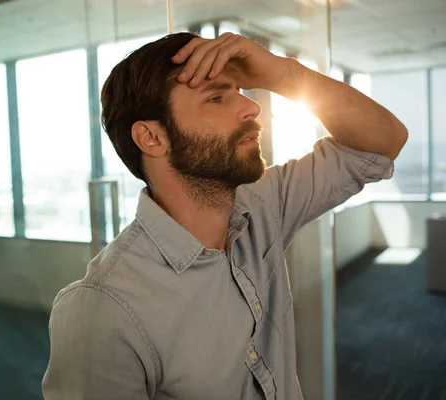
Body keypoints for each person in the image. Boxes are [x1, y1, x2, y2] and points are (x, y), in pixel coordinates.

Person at [41, 32, 407, 400]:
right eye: (216, 97)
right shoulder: (101, 308)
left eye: (239, 91)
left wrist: (285, 75)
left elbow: (381, 144)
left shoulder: (263, 202)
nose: (252, 108)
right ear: (152, 138)